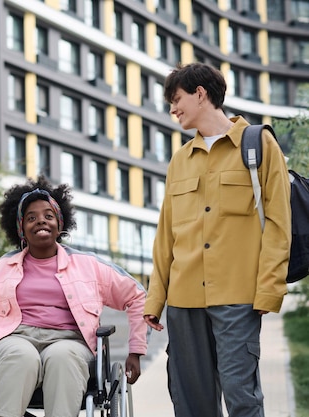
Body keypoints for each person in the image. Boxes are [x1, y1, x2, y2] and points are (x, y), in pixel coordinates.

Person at [143, 62, 291, 417]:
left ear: (200, 93)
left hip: (238, 298)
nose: (172, 109)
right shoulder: (180, 160)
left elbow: (278, 225)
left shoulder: (259, 144)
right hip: (183, 300)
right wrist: (155, 300)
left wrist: (268, 290)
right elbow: (166, 235)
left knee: (242, 398)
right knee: (191, 403)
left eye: (176, 99)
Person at [0, 176, 148, 417]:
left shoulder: (89, 266)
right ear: (21, 227)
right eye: (31, 218)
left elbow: (137, 296)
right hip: (13, 339)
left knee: (63, 357)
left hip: (71, 341)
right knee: (21, 355)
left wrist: (135, 351)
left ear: (60, 222)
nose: (40, 221)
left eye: (48, 215)